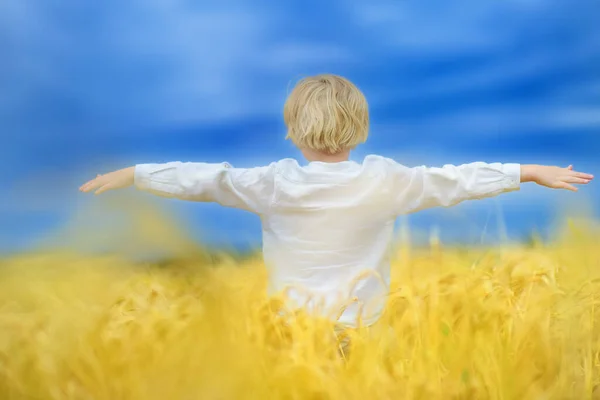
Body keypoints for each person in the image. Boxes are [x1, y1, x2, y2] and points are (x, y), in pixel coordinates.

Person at [80, 74, 593, 354]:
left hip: (284, 337)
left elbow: (203, 178)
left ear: (293, 129)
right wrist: (525, 170)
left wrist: (135, 173)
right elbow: (456, 180)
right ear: (361, 126)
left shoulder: (273, 183)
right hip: (360, 339)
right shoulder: (384, 181)